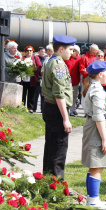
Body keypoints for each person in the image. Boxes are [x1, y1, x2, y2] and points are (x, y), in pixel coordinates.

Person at [42, 34, 76, 181]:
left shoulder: (51, 61)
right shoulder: (58, 65)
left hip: (50, 108)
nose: (72, 52)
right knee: (58, 149)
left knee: (50, 147)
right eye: (70, 49)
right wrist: (66, 119)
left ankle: (47, 181)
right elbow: (59, 94)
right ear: (61, 49)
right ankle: (56, 184)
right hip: (57, 110)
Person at [81, 61, 106, 209]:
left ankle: (91, 199)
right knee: (97, 166)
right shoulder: (98, 91)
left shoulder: (92, 87)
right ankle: (94, 200)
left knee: (93, 165)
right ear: (100, 75)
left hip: (92, 127)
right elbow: (99, 116)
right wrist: (105, 139)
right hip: (96, 128)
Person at [22, 46, 42, 113]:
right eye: (27, 50)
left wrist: (33, 69)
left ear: (33, 51)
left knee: (31, 95)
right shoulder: (23, 58)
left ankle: (30, 108)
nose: (29, 52)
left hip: (32, 80)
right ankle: (22, 106)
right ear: (25, 51)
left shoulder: (35, 57)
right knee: (23, 94)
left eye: (30, 50)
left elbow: (39, 65)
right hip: (24, 79)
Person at [65, 44, 81, 117]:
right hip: (67, 81)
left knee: (74, 96)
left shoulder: (79, 59)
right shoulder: (67, 58)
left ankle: (72, 110)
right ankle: (67, 110)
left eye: (74, 51)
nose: (73, 52)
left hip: (75, 80)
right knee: (67, 96)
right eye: (72, 50)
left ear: (77, 52)